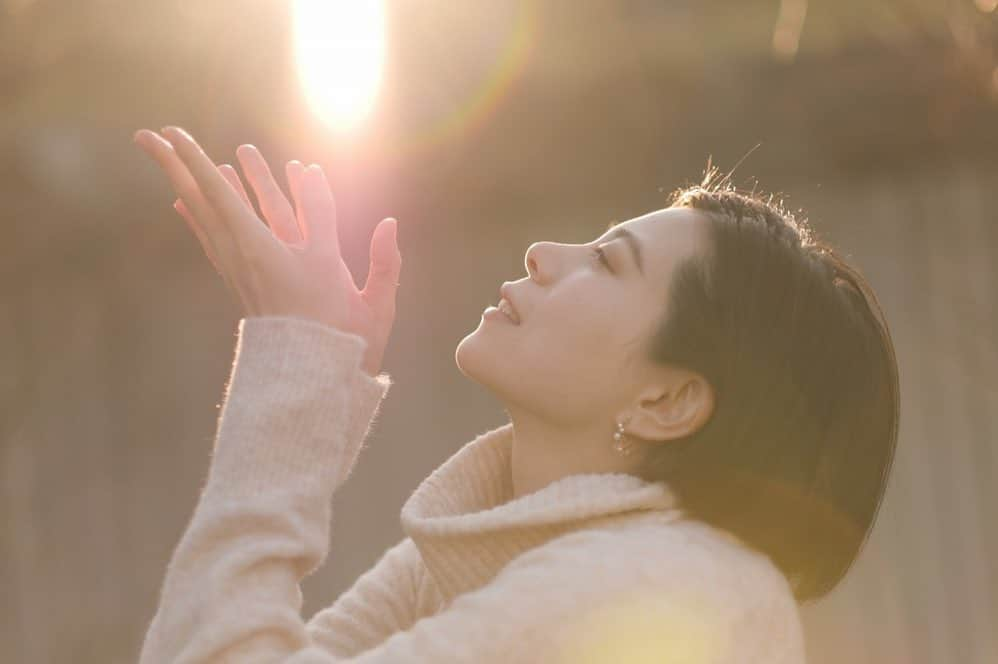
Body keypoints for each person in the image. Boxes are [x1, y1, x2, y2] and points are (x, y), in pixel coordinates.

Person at [131, 126, 899, 663]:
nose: (543, 253)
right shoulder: (474, 560)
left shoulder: (674, 590)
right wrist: (318, 362)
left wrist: (301, 355)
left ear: (669, 401)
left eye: (607, 262)